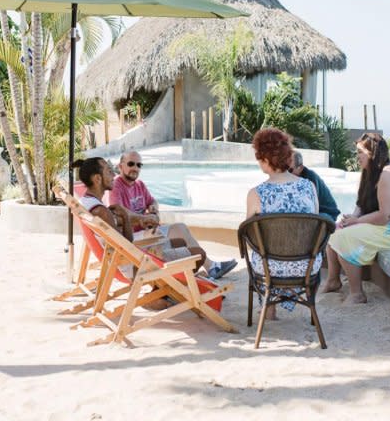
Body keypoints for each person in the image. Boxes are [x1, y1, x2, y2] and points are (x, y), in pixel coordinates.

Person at [320, 132, 390, 304]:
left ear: (372, 153)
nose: (357, 157)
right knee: (335, 231)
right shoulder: (371, 172)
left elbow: (387, 215)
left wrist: (357, 222)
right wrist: (352, 217)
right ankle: (333, 281)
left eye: (360, 152)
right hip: (385, 226)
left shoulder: (389, 175)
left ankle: (357, 294)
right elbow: (362, 203)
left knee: (345, 239)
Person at [110, 150, 238, 280]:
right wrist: (145, 218)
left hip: (147, 233)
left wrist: (153, 208)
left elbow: (152, 201)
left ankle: (208, 267)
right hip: (135, 238)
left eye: (139, 165)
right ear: (120, 166)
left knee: (180, 228)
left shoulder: (139, 185)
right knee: (178, 237)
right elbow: (120, 215)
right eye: (131, 164)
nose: (135, 168)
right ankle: (200, 269)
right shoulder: (116, 187)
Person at [72, 157, 205, 271]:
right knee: (200, 254)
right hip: (134, 265)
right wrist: (124, 215)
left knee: (180, 242)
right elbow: (127, 244)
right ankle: (166, 290)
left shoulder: (86, 202)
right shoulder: (101, 211)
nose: (113, 175)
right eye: (109, 171)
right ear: (97, 178)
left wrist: (129, 219)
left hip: (124, 258)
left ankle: (165, 288)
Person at [246, 128, 320, 320]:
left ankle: (269, 308)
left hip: (270, 268)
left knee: (259, 252)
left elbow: (249, 237)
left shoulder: (256, 193)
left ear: (265, 159)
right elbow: (315, 226)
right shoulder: (309, 187)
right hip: (306, 265)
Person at [290, 151, 341, 221]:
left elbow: (311, 206)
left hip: (326, 212)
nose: (286, 173)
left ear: (300, 168)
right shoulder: (287, 178)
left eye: (290, 170)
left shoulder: (310, 178)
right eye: (283, 169)